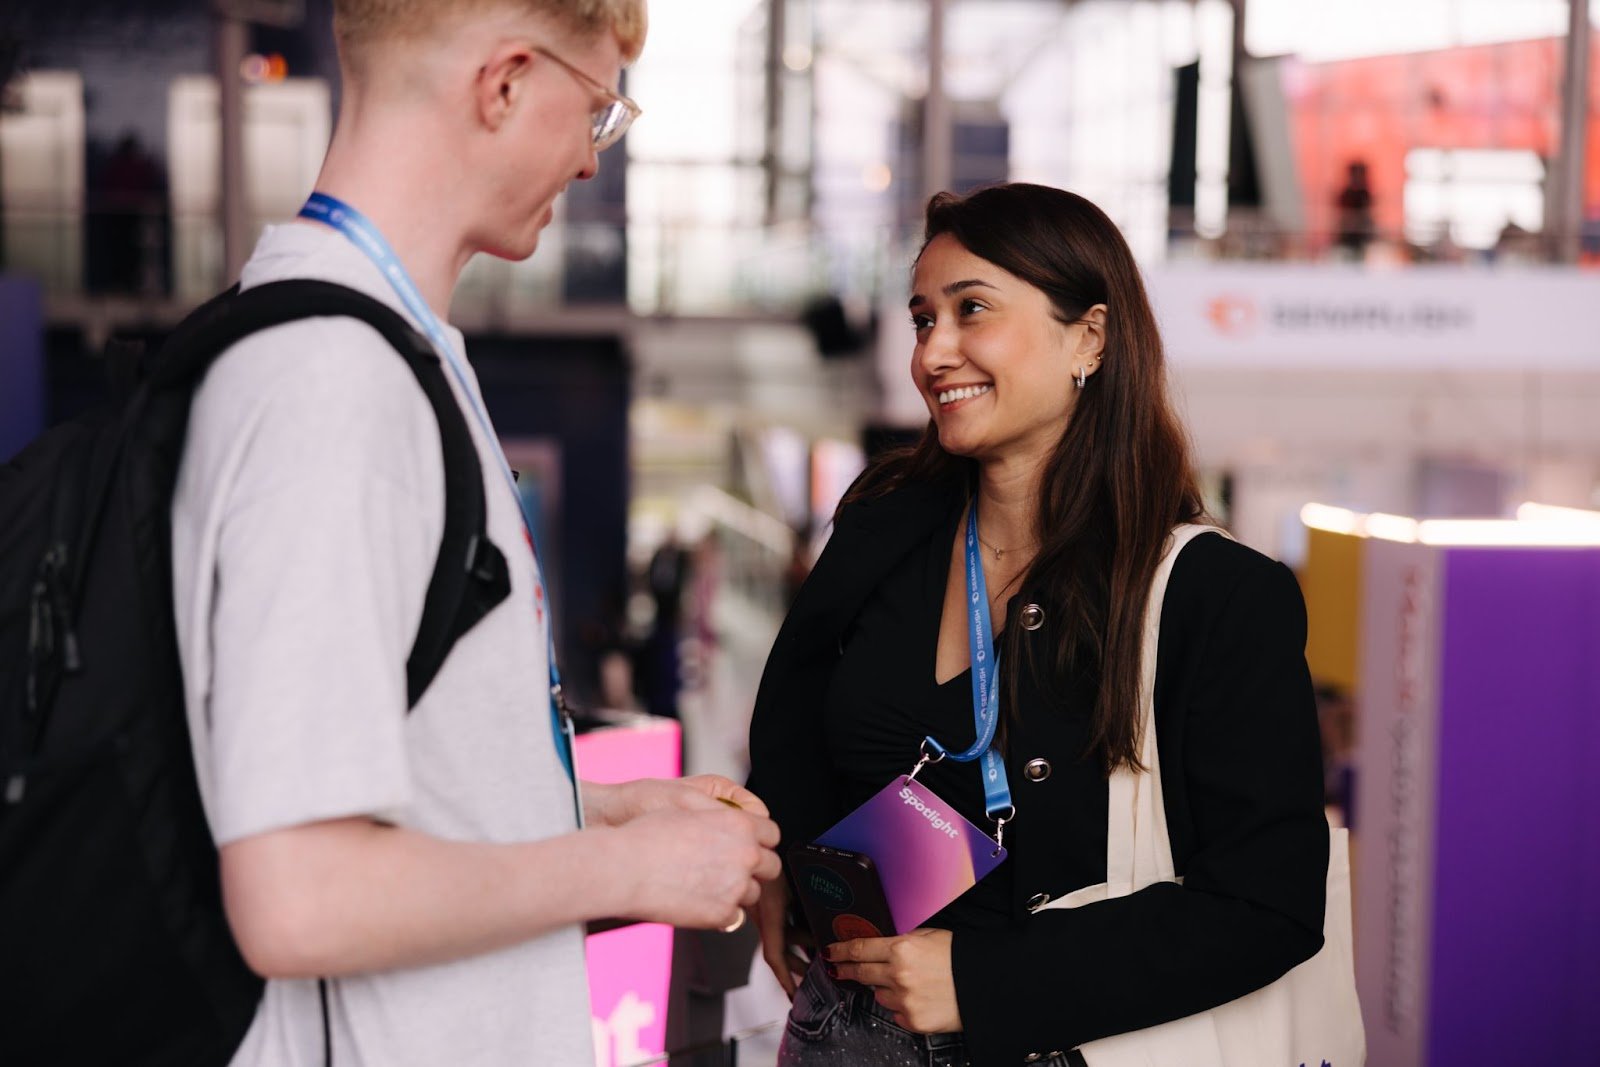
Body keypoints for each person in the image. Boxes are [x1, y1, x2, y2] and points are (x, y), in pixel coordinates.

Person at [169, 2, 780, 1064]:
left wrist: (597, 810)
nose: (591, 166)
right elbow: (298, 893)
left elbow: (385, 783)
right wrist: (634, 872)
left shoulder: (375, 348)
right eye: (595, 112)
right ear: (503, 83)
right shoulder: (332, 381)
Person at [746, 183, 1327, 1066]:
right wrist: (790, 854)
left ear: (1088, 337)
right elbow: (794, 713)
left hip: (1064, 1045)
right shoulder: (885, 525)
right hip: (844, 1030)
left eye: (970, 309)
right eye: (920, 319)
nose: (934, 352)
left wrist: (985, 979)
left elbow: (1268, 902)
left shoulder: (1216, 594)